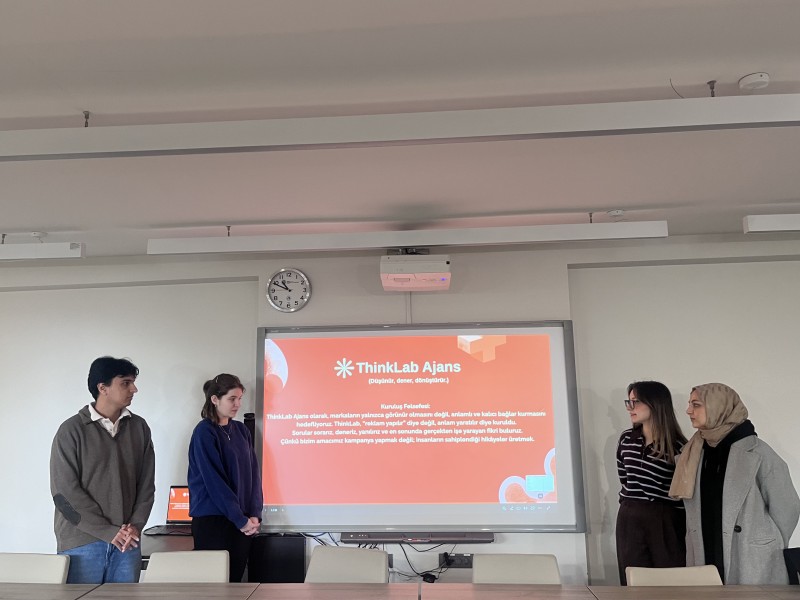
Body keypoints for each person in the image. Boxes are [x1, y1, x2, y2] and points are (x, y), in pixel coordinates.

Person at [670, 383, 800, 584]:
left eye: (696, 405)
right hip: (706, 549)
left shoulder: (758, 452)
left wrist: (764, 541)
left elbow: (787, 507)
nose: (688, 410)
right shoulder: (694, 452)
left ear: (718, 406)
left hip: (750, 557)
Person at [50, 356, 156, 583]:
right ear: (102, 387)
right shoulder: (71, 431)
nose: (134, 389)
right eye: (125, 383)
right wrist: (108, 531)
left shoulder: (139, 428)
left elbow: (146, 486)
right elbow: (64, 494)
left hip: (127, 543)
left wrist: (135, 526)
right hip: (82, 543)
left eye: (133, 382)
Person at [188, 373, 262, 582]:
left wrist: (254, 513)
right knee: (213, 588)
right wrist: (240, 519)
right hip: (214, 521)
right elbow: (214, 482)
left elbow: (253, 473)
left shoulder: (241, 430)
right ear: (215, 399)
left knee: (235, 585)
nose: (238, 404)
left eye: (240, 398)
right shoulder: (204, 432)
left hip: (242, 522)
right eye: (232, 399)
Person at [615, 380, 687, 585]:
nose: (630, 408)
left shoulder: (678, 446)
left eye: (635, 402)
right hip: (630, 515)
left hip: (665, 517)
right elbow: (624, 477)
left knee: (668, 579)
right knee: (633, 579)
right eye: (628, 402)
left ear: (655, 403)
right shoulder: (627, 439)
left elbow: (682, 489)